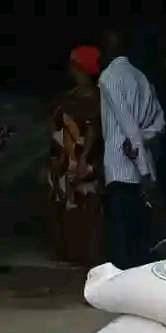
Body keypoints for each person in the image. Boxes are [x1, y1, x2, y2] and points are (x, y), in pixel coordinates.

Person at [99, 29, 165, 269]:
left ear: (109, 49)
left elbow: (127, 124)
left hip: (121, 168)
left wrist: (141, 166)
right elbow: (159, 123)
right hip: (143, 170)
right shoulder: (142, 78)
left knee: (121, 240)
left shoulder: (109, 77)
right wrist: (146, 168)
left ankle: (121, 291)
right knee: (139, 236)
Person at [47, 45, 104, 266]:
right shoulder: (68, 97)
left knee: (85, 206)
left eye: (74, 64)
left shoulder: (96, 98)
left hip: (81, 160)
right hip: (63, 160)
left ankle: (84, 254)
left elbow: (94, 129)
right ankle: (69, 252)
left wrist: (84, 158)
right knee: (64, 206)